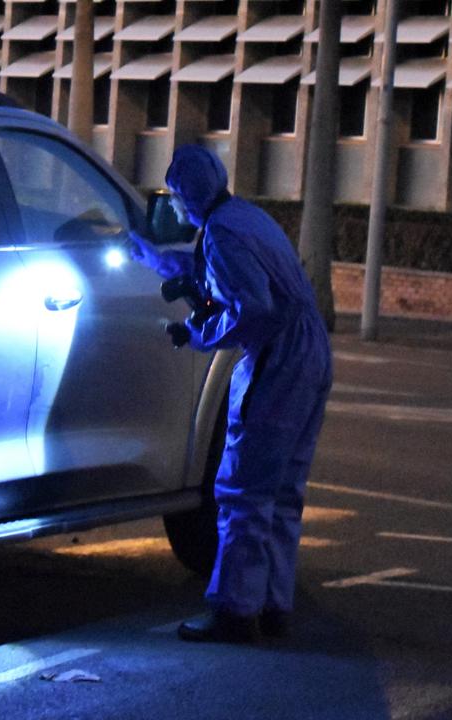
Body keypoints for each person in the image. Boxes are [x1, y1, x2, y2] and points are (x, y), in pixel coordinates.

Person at [130, 145, 332, 643]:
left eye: (175, 197)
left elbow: (253, 309)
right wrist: (164, 263)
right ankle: (272, 606)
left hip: (277, 358)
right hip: (309, 353)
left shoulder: (220, 232)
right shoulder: (243, 217)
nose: (174, 207)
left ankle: (235, 612)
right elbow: (229, 278)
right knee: (283, 492)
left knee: (242, 490)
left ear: (185, 193)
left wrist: (199, 335)